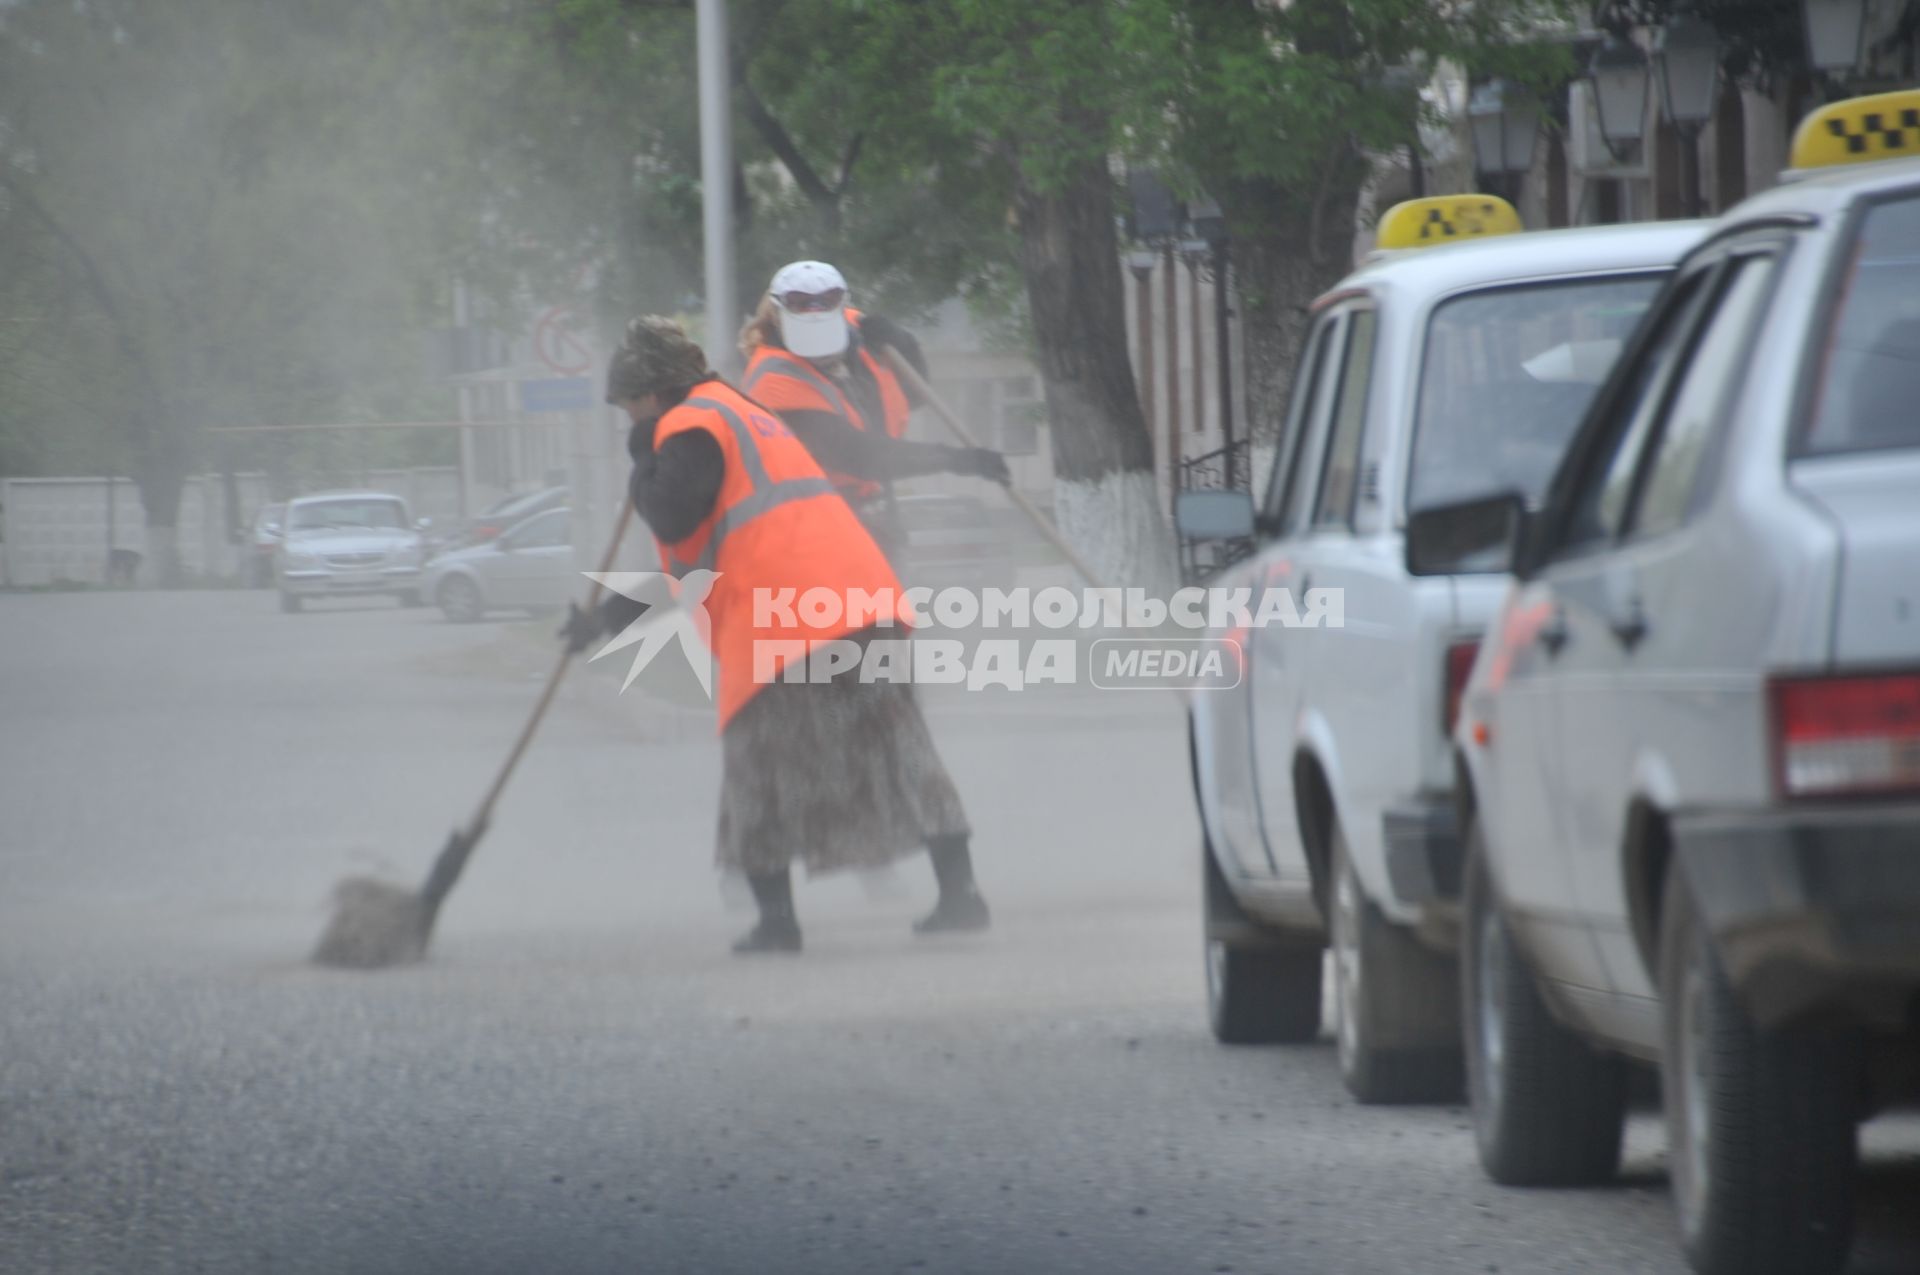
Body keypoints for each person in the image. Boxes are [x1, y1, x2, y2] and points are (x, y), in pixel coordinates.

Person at [562, 317, 991, 954]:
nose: (628, 419)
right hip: (860, 600)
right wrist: (605, 621)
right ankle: (961, 895)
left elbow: (674, 515)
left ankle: (777, 922)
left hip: (785, 619)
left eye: (628, 407)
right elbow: (701, 556)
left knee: (757, 768)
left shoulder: (688, 429)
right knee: (901, 751)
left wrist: (643, 458)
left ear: (652, 394)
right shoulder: (743, 414)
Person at [739, 260, 1010, 557]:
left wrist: (903, 345)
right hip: (810, 530)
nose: (824, 357)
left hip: (869, 521)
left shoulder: (857, 332)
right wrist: (955, 459)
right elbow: (861, 456)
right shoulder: (775, 382)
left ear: (840, 306)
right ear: (778, 317)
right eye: (801, 305)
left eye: (827, 303)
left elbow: (913, 394)